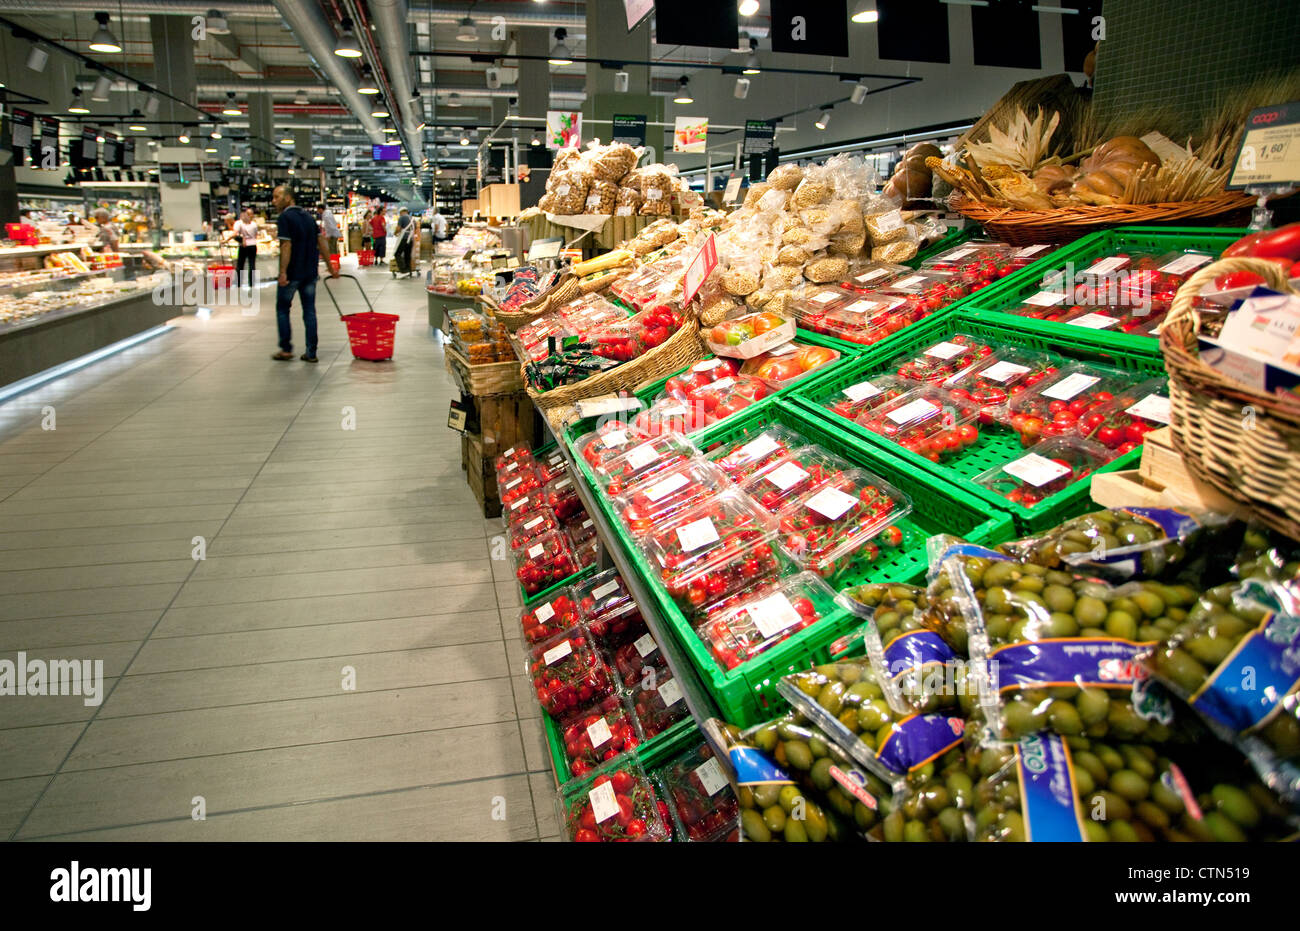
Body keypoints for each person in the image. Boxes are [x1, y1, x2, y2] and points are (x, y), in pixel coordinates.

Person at [271, 185, 337, 364]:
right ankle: (311, 352)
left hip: (292, 273)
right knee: (309, 311)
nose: (273, 201)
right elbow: (321, 241)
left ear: (288, 198)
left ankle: (285, 349)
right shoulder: (309, 217)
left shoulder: (285, 217)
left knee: (283, 309)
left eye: (277, 197)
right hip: (310, 273)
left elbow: (286, 246)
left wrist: (283, 272)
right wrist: (330, 267)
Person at [232, 207, 260, 288]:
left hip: (243, 246)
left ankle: (238, 283)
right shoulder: (254, 224)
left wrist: (241, 240)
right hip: (252, 246)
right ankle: (252, 284)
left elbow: (235, 234)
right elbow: (255, 235)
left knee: (240, 265)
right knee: (252, 265)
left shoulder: (239, 223)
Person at [393, 207, 413, 275]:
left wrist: (395, 233)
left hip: (404, 238)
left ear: (401, 212)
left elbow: (398, 228)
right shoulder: (412, 219)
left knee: (397, 253)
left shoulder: (402, 218)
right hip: (411, 239)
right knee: (407, 255)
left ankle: (403, 270)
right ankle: (408, 270)